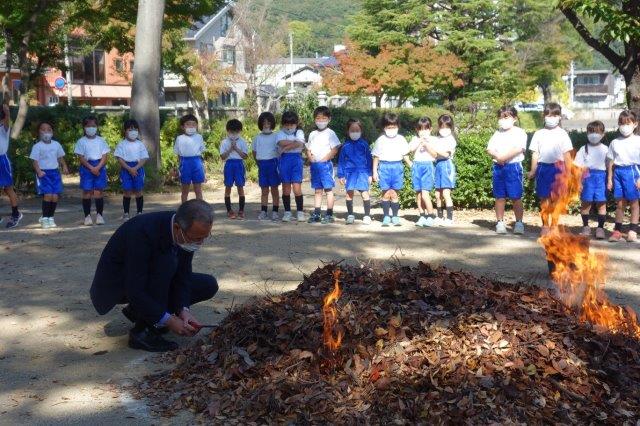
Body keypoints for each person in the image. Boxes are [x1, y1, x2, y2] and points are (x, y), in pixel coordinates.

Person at [90, 199, 219, 352]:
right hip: (119, 284)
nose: (200, 243)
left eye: (205, 236)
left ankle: (143, 311)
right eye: (197, 238)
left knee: (207, 284)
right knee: (167, 264)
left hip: (147, 279)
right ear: (178, 228)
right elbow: (135, 288)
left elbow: (183, 275)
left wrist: (184, 310)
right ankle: (143, 332)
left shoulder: (184, 232)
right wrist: (169, 320)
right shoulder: (143, 232)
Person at [527, 102, 573, 236]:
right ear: (543, 116)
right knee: (544, 198)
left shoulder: (563, 134)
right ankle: (545, 225)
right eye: (548, 115)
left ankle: (554, 225)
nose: (551, 117)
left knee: (557, 199)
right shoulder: (538, 134)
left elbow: (567, 155)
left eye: (554, 115)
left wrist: (569, 173)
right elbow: (535, 154)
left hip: (559, 169)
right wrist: (533, 170)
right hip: (543, 169)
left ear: (559, 117)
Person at [486, 106, 527, 235]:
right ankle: (500, 222)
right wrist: (497, 157)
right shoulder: (497, 133)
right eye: (501, 118)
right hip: (498, 167)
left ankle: (519, 223)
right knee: (500, 196)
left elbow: (519, 148)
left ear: (514, 118)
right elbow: (489, 149)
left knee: (516, 196)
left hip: (513, 167)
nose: (503, 120)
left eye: (506, 117)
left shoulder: (520, 132)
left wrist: (503, 157)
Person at [372, 112, 411, 227]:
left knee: (394, 194)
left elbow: (405, 155)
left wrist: (412, 165)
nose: (391, 129)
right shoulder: (381, 140)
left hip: (397, 167)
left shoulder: (401, 139)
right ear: (384, 127)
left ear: (398, 126)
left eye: (394, 127)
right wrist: (374, 172)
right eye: (389, 127)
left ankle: (395, 216)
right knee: (386, 194)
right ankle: (386, 216)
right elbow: (376, 157)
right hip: (384, 167)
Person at [606, 110, 640, 243]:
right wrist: (609, 178)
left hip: (633, 171)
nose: (624, 126)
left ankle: (632, 230)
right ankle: (617, 231)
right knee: (620, 204)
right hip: (618, 173)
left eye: (628, 123)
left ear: (635, 124)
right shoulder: (615, 142)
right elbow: (610, 161)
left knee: (634, 203)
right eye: (621, 123)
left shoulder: (638, 140)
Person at [30, 121, 69, 229]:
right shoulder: (37, 146)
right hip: (43, 173)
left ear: (52, 132)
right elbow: (35, 161)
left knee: (55, 196)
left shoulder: (56, 144)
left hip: (55, 173)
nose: (46, 132)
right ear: (39, 132)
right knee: (48, 195)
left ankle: (50, 217)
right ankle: (45, 218)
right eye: (43, 129)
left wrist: (64, 166)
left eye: (49, 129)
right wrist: (39, 172)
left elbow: (60, 157)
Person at [574, 121, 608, 240]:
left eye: (597, 132)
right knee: (585, 203)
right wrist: (578, 182)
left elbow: (610, 166)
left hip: (601, 177)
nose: (594, 135)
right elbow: (578, 168)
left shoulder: (605, 149)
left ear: (603, 134)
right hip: (587, 177)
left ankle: (600, 228)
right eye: (591, 132)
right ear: (587, 133)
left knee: (601, 203)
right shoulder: (584, 149)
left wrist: (609, 180)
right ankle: (585, 226)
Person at [306, 106, 341, 224]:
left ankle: (329, 214)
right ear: (315, 119)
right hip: (315, 166)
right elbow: (308, 149)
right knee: (317, 190)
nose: (321, 121)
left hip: (325, 165)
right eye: (318, 118)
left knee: (328, 190)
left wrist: (325, 159)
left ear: (329, 119)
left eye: (324, 118)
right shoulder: (312, 134)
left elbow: (335, 148)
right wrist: (310, 157)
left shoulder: (330, 133)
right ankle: (317, 213)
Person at [75, 115, 110, 226]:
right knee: (87, 192)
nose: (91, 128)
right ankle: (87, 216)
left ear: (97, 127)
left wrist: (98, 167)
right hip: (86, 167)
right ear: (84, 127)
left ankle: (99, 215)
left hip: (99, 166)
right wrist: (91, 168)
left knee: (98, 191)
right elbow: (80, 157)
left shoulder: (101, 141)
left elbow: (105, 156)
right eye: (88, 126)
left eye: (93, 126)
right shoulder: (81, 141)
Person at [337, 119, 373, 225]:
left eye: (357, 130)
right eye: (352, 130)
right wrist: (341, 175)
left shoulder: (364, 144)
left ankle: (367, 216)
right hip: (349, 173)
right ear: (348, 131)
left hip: (362, 173)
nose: (355, 132)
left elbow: (369, 160)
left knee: (365, 194)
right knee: (349, 194)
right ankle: (350, 215)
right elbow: (341, 161)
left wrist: (370, 174)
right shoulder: (345, 146)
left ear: (361, 131)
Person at [425, 114, 457, 227]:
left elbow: (445, 154)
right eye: (442, 127)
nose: (444, 129)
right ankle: (439, 217)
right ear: (438, 127)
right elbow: (433, 153)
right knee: (437, 194)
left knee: (446, 193)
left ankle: (449, 218)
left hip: (446, 166)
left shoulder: (451, 140)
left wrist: (434, 149)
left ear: (451, 127)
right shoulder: (437, 139)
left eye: (447, 126)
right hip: (437, 165)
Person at [114, 119, 148, 220]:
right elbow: (119, 158)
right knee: (127, 190)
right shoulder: (121, 144)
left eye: (135, 129)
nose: (133, 131)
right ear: (125, 131)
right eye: (130, 129)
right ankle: (126, 213)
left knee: (138, 190)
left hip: (138, 168)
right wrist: (129, 169)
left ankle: (139, 212)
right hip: (126, 169)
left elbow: (144, 157)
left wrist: (136, 168)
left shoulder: (140, 144)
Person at [276, 111, 306, 222]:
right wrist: (293, 143)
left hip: (296, 160)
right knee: (286, 187)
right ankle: (287, 212)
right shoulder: (279, 133)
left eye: (291, 124)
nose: (289, 127)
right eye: (286, 124)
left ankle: (300, 212)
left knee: (297, 187)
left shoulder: (300, 132)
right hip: (284, 161)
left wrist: (285, 148)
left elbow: (301, 144)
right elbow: (281, 143)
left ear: (296, 124)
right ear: (283, 124)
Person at [408, 117, 436, 228]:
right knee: (418, 194)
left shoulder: (433, 139)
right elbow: (410, 149)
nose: (423, 131)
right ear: (417, 129)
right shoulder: (415, 139)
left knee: (425, 193)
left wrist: (427, 145)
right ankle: (422, 215)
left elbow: (434, 154)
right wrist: (419, 141)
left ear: (430, 129)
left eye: (426, 128)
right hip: (416, 165)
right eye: (421, 129)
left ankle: (430, 215)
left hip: (428, 165)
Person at [252, 112, 281, 221]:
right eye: (264, 123)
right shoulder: (257, 138)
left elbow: (279, 151)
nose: (266, 125)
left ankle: (275, 211)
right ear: (260, 124)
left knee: (274, 189)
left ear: (272, 123)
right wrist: (258, 163)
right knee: (264, 190)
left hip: (273, 164)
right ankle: (263, 211)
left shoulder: (276, 136)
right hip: (262, 164)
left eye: (268, 122)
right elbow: (254, 152)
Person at [0, 102, 23, 228]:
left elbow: (7, 120)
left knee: (8, 188)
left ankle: (16, 214)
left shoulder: (3, 127)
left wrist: (7, 112)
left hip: (2, 160)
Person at [220, 119, 248, 219]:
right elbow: (223, 157)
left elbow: (245, 156)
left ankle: (241, 210)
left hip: (239, 164)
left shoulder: (242, 141)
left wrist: (236, 148)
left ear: (240, 131)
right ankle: (229, 210)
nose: (234, 134)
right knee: (228, 187)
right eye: (232, 132)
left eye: (236, 132)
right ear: (227, 131)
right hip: (229, 165)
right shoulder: (224, 142)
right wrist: (230, 149)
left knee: (240, 187)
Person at [175, 114, 206, 203]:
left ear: (196, 126)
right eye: (188, 124)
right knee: (185, 190)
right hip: (185, 163)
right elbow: (178, 154)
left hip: (197, 163)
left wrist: (203, 167)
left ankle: (200, 209)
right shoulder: (179, 138)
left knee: (198, 189)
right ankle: (184, 211)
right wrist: (178, 167)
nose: (191, 126)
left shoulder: (199, 137)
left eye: (193, 124)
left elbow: (201, 153)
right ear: (182, 126)